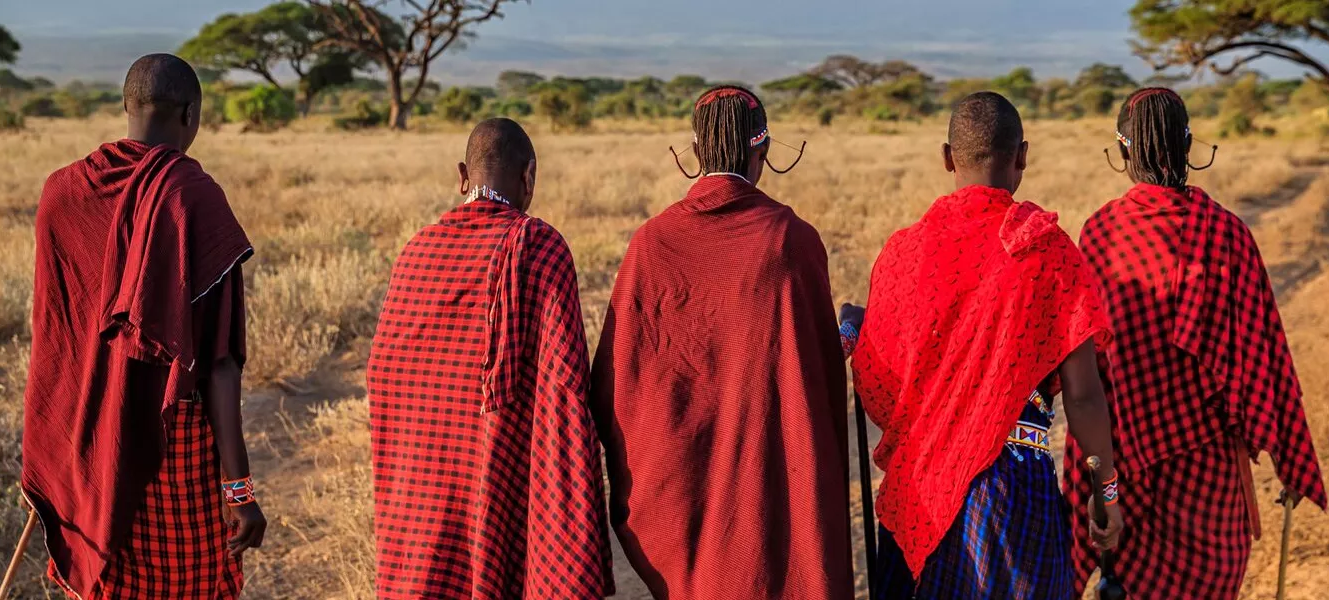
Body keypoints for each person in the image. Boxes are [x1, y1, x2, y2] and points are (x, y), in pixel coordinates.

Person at [846, 92, 1123, 599]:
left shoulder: (903, 253)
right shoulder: (1049, 251)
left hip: (920, 489)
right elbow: (1083, 396)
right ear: (1022, 157)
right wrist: (1107, 493)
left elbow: (877, 388)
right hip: (1015, 498)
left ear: (948, 158)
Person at [591, 85, 853, 600]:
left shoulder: (652, 241)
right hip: (767, 489)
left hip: (687, 487)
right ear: (763, 152)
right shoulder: (792, 239)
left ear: (695, 151)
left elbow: (618, 382)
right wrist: (848, 332)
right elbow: (815, 367)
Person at [22, 53, 265, 599]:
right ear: (191, 114)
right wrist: (239, 490)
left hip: (82, 437)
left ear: (127, 108)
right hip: (165, 441)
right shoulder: (192, 197)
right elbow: (220, 362)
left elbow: (57, 332)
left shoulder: (61, 192)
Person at [1074, 87, 1327, 599]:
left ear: (1124, 151)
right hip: (1208, 478)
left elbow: (1088, 374)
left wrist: (1105, 488)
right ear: (1188, 145)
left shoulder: (1100, 233)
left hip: (1122, 469)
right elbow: (1267, 357)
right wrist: (1291, 459)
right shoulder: (1227, 233)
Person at [366, 118, 611, 599]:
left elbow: (385, 374)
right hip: (499, 469)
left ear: (463, 176)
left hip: (422, 476)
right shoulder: (540, 246)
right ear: (529, 177)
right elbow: (566, 386)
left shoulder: (416, 250)